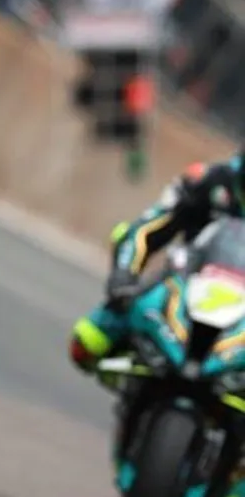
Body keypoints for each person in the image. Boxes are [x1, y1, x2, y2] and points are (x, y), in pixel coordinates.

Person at [68, 154, 245, 370]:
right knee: (88, 341)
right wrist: (124, 274)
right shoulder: (208, 179)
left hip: (240, 314)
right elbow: (144, 230)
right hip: (183, 287)